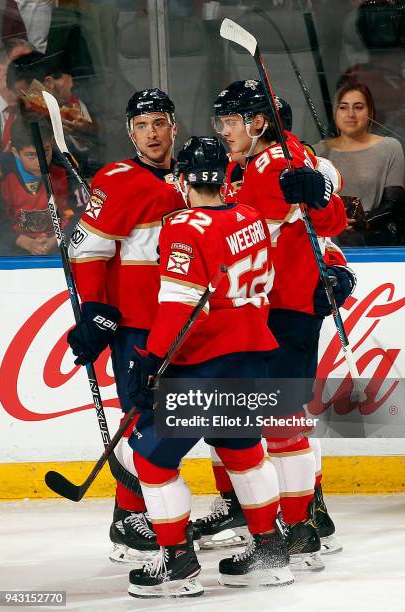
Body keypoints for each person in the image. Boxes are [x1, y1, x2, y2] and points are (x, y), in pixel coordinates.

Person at [125, 136, 294, 597]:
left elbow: (179, 303)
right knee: (241, 449)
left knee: (151, 459)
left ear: (182, 178)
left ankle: (177, 564)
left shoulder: (183, 225)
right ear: (225, 175)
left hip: (205, 363)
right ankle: (270, 553)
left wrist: (151, 359)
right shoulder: (252, 217)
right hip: (255, 354)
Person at [193, 80, 350, 570]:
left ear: (258, 122)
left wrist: (321, 187)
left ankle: (298, 529)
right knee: (273, 419)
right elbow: (323, 212)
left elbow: (329, 220)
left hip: (283, 311)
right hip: (272, 311)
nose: (223, 132)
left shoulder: (275, 162)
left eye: (230, 122)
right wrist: (323, 183)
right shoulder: (259, 163)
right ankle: (300, 520)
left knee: (281, 423)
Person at [66, 88, 184, 564]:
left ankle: (152, 512)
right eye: (141, 125)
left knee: (179, 419)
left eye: (159, 122)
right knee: (142, 417)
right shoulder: (117, 180)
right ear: (129, 131)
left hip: (185, 321)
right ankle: (128, 518)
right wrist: (94, 308)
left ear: (174, 125)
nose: (151, 133)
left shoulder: (193, 175)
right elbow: (86, 248)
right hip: (138, 326)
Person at [314, 81, 405, 246]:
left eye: (358, 107)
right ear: (335, 113)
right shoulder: (316, 152)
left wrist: (361, 223)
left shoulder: (390, 147)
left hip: (374, 245)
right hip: (325, 245)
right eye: (343, 107)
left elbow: (394, 204)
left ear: (370, 112)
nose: (350, 114)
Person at [0, 113, 72, 255]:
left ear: (52, 144)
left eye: (46, 152)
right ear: (16, 153)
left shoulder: (66, 166)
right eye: (31, 155)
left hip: (60, 242)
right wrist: (24, 242)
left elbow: (80, 213)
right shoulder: (1, 173)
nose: (41, 162)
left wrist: (57, 238)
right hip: (14, 245)